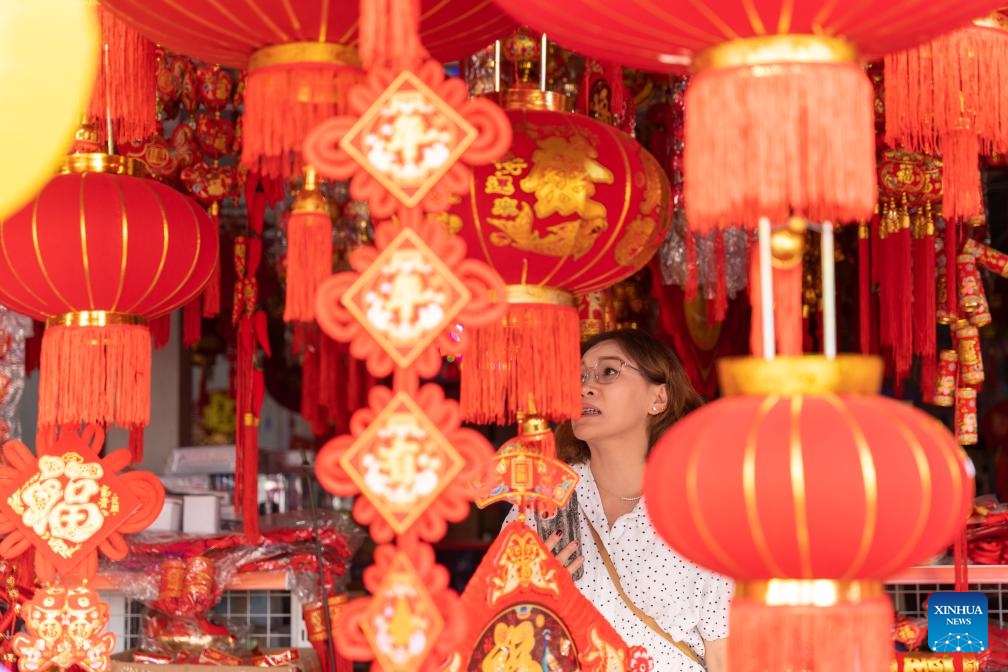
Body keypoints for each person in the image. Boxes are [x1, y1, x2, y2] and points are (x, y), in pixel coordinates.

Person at [504, 328, 732, 672]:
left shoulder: (701, 511)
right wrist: (531, 598)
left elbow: (724, 654)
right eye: (579, 376)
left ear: (658, 399)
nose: (584, 387)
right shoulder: (539, 504)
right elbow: (498, 637)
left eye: (609, 372)